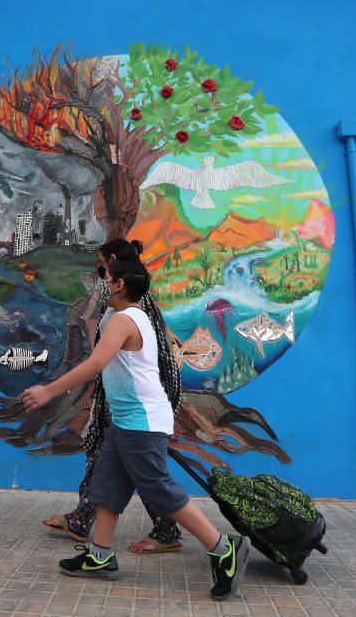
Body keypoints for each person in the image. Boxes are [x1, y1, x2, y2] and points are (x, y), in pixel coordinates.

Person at [22, 258, 250, 600]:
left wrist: (48, 391)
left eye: (105, 276)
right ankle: (100, 556)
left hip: (141, 421)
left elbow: (96, 363)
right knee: (108, 485)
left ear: (118, 285)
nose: (99, 280)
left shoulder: (126, 319)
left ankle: (222, 548)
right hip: (129, 419)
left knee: (158, 488)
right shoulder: (125, 316)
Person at [42, 238, 185, 554]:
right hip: (127, 402)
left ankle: (202, 540)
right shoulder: (121, 305)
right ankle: (98, 545)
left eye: (101, 268)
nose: (99, 277)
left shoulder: (128, 309)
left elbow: (103, 361)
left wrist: (51, 391)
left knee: (142, 473)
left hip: (139, 402)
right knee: (117, 469)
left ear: (116, 272)